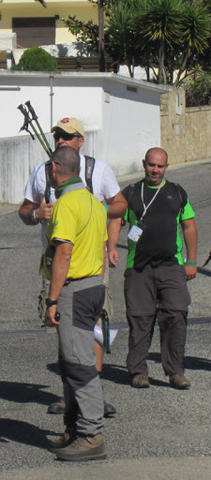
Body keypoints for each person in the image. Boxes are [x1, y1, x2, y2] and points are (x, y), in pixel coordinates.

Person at [18, 117, 127, 416]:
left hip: (92, 263)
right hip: (55, 264)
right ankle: (71, 395)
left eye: (68, 135)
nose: (61, 140)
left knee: (95, 328)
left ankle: (94, 393)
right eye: (57, 136)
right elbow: (24, 211)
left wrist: (93, 205)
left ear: (81, 140)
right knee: (65, 332)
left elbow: (121, 205)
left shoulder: (98, 169)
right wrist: (37, 214)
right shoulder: (43, 172)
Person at [108, 147, 197, 389]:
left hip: (172, 265)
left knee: (176, 315)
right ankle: (138, 371)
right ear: (144, 164)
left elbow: (189, 226)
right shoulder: (131, 192)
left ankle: (175, 372)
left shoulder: (177, 192)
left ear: (166, 167)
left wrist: (191, 260)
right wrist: (112, 247)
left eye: (160, 166)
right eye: (151, 165)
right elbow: (116, 219)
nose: (155, 170)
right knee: (140, 319)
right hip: (139, 268)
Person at [44, 146, 107, 461]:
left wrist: (52, 299)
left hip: (75, 290)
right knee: (71, 361)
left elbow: (64, 253)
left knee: (80, 365)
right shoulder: (93, 201)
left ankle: (91, 433)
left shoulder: (66, 203)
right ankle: (73, 428)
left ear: (55, 168)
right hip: (93, 285)